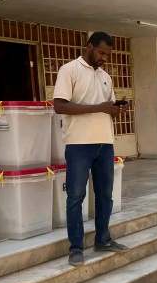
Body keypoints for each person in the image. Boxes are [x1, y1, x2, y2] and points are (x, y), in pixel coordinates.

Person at [53, 32, 129, 267]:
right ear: (89, 47)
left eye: (107, 54)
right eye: (101, 52)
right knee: (76, 196)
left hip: (105, 143)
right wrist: (100, 107)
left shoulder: (105, 76)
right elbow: (59, 106)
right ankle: (76, 248)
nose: (104, 57)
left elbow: (108, 107)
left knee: (105, 195)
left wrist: (115, 110)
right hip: (78, 144)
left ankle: (103, 240)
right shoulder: (69, 70)